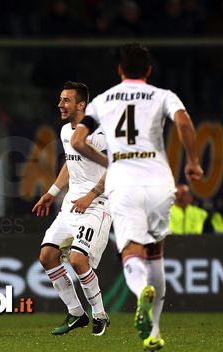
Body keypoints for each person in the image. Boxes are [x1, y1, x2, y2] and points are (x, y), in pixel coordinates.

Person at [70, 43, 203, 351]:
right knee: (156, 252)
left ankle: (141, 290)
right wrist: (193, 161)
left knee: (132, 251)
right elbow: (183, 122)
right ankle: (153, 332)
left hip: (124, 181)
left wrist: (107, 161)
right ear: (149, 70)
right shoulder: (163, 95)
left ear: (119, 70)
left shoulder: (102, 101)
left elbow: (78, 140)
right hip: (158, 180)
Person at [32, 81, 111, 336]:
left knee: (78, 260)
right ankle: (76, 313)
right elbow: (70, 163)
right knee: (46, 256)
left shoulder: (100, 134)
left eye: (66, 100)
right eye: (60, 99)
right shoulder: (67, 131)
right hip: (70, 206)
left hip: (96, 205)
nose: (60, 104)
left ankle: (99, 314)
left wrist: (90, 195)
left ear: (81, 105)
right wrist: (51, 192)